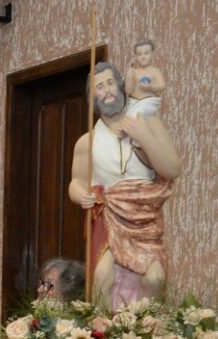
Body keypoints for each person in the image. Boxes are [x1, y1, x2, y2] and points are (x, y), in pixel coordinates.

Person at [68, 62, 182, 308]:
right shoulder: (87, 142)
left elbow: (172, 168)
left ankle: (147, 336)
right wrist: (81, 194)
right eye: (99, 87)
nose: (107, 90)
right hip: (111, 216)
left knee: (155, 279)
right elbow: (76, 182)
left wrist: (142, 137)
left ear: (121, 86)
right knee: (102, 276)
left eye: (110, 83)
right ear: (93, 98)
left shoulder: (147, 123)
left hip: (144, 217)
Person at [124, 38, 165, 120]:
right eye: (139, 54)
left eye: (146, 53)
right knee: (128, 119)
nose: (143, 57)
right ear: (135, 56)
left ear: (152, 54)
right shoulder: (134, 72)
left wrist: (150, 87)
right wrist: (130, 72)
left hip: (148, 103)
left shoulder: (154, 71)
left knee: (137, 115)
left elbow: (162, 86)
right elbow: (128, 91)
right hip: (134, 103)